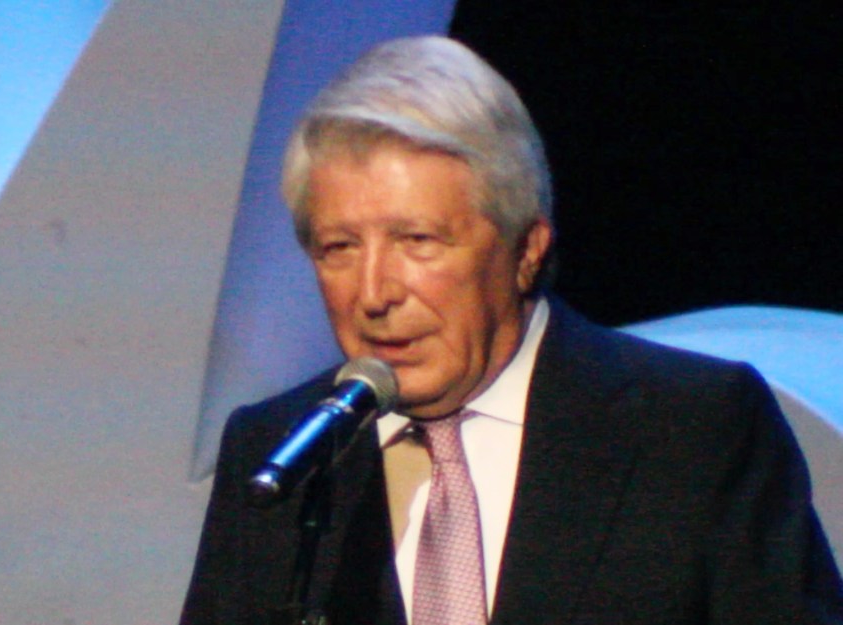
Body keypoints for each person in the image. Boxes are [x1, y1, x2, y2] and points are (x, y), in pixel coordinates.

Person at [180, 36, 843, 625]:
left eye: (417, 240)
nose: (374, 293)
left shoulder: (694, 428)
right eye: (339, 248)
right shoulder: (279, 454)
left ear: (526, 249)